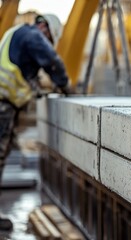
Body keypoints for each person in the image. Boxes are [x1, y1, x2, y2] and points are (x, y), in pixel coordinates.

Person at [0, 14, 70, 231]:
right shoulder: (32, 35)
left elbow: (23, 71)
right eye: (48, 40)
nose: (46, 43)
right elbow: (52, 61)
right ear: (44, 28)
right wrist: (65, 86)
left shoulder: (17, 34)